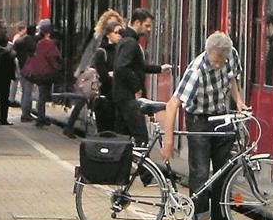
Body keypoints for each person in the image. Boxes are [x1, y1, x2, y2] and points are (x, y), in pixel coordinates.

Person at [160, 32, 247, 220]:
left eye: (222, 61)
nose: (219, 65)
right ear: (208, 53)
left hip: (221, 116)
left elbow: (232, 78)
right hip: (198, 120)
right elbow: (172, 105)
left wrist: (239, 102)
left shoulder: (231, 55)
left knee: (223, 172)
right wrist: (168, 141)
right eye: (216, 61)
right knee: (199, 173)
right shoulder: (196, 70)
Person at [112, 8, 171, 146]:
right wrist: (136, 88)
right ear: (137, 23)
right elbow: (121, 67)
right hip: (128, 98)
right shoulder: (131, 43)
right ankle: (140, 167)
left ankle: (121, 165)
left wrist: (159, 69)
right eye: (147, 25)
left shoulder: (126, 40)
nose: (149, 29)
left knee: (122, 136)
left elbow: (137, 66)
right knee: (141, 138)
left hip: (121, 96)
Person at [64, 10, 124, 138]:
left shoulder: (117, 40)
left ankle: (70, 126)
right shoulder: (99, 38)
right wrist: (84, 69)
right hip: (95, 73)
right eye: (110, 22)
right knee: (84, 98)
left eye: (115, 22)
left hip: (102, 75)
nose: (113, 24)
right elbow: (90, 54)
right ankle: (70, 126)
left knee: (85, 99)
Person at [22, 20, 62, 127]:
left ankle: (41, 116)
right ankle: (41, 118)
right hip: (47, 73)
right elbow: (52, 59)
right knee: (43, 96)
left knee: (41, 96)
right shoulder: (50, 44)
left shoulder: (40, 43)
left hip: (39, 72)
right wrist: (58, 69)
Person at [14, 24, 37, 122]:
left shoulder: (19, 40)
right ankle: (26, 114)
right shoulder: (31, 41)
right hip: (29, 68)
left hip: (21, 66)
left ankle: (25, 112)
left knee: (24, 91)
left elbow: (13, 52)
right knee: (28, 92)